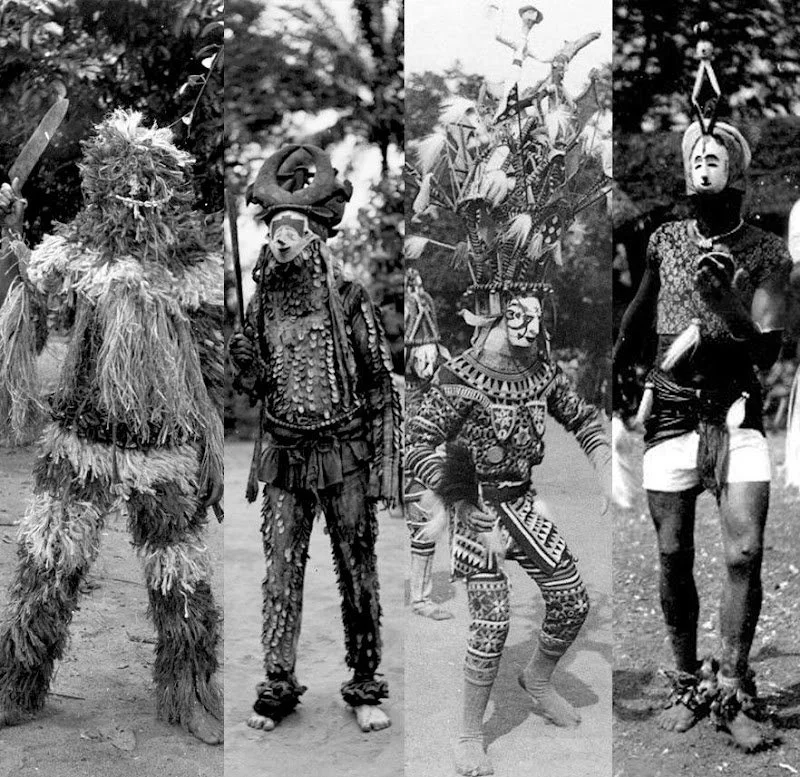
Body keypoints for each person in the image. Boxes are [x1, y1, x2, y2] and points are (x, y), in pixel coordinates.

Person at [0, 109, 225, 744]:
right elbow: (29, 289)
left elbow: (208, 355)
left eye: (152, 180)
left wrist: (209, 436)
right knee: (47, 562)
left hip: (165, 448)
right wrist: (10, 228)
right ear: (101, 185)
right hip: (79, 442)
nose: (138, 194)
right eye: (126, 179)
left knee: (181, 577)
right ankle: (16, 685)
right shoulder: (76, 252)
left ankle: (190, 692)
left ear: (171, 190)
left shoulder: (191, 267)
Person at [613, 119, 790, 751]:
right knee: (671, 554)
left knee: (744, 554)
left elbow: (768, 353)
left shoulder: (768, 252)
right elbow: (641, 307)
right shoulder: (665, 239)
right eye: (696, 156)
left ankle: (734, 688)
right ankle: (689, 683)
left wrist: (727, 304)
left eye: (716, 157)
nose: (703, 165)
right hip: (670, 416)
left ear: (737, 174)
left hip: (736, 413)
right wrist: (617, 368)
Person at [230, 144, 401, 734]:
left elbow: (380, 385)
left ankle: (365, 685)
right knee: (280, 568)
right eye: (275, 228)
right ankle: (277, 686)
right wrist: (245, 361)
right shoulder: (262, 304)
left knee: (358, 567)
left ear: (316, 239)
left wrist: (385, 466)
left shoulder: (350, 299)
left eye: (294, 229)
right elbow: (253, 387)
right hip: (283, 453)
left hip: (344, 453)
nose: (281, 240)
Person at [407, 285, 610, 777]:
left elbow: (582, 418)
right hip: (476, 510)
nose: (530, 328)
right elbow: (416, 442)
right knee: (493, 623)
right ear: (491, 316)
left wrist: (604, 466)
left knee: (571, 600)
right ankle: (469, 735)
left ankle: (537, 680)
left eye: (537, 317)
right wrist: (455, 495)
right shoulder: (460, 375)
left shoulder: (541, 373)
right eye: (518, 316)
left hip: (521, 500)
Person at [404, 268, 453, 619]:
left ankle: (421, 597)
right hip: (407, 458)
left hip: (426, 457)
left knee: (429, 521)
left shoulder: (438, 374)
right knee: (423, 523)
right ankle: (419, 598)